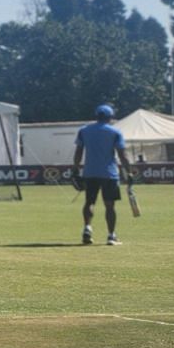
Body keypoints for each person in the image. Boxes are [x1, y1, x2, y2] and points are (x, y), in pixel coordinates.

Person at [73, 104, 133, 246]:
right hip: (109, 174)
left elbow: (78, 152)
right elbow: (122, 155)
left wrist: (75, 169)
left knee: (89, 202)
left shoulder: (84, 131)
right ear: (110, 117)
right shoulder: (115, 132)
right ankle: (111, 236)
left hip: (90, 172)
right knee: (110, 206)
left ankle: (87, 228)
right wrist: (128, 171)